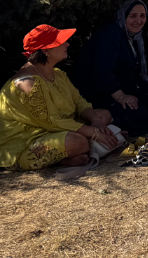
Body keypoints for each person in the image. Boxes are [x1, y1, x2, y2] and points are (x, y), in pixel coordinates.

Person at [1, 25, 119, 171]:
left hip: (57, 129)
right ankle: (67, 157)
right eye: (61, 42)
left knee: (103, 116)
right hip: (28, 141)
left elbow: (78, 101)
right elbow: (52, 122)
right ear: (45, 50)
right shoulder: (27, 84)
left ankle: (77, 151)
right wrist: (95, 133)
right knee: (78, 142)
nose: (67, 44)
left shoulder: (58, 74)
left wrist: (95, 121)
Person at [73, 0, 148, 135]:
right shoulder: (112, 33)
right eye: (133, 16)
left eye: (142, 15)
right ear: (123, 16)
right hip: (102, 93)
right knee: (139, 116)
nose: (138, 20)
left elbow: (140, 63)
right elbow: (102, 72)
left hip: (126, 87)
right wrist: (121, 97)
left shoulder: (136, 36)